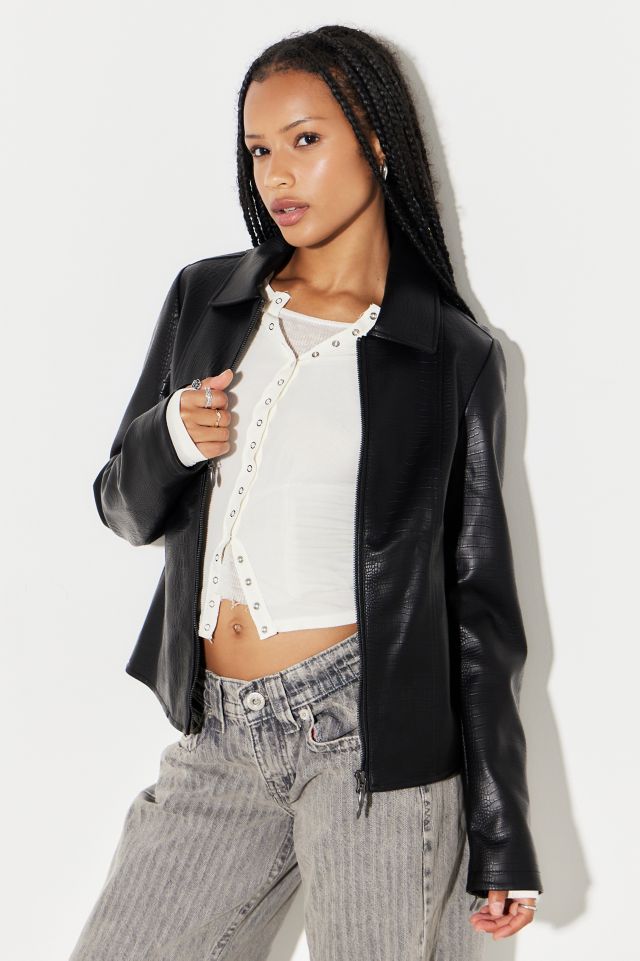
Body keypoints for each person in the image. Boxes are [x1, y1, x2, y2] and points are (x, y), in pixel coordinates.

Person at [69, 23, 543, 961]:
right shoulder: (207, 300)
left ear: (376, 141)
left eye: (305, 139)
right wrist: (172, 435)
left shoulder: (451, 353)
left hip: (376, 746)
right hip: (219, 733)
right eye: (258, 150)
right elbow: (121, 505)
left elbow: (479, 607)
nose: (276, 174)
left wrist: (502, 831)